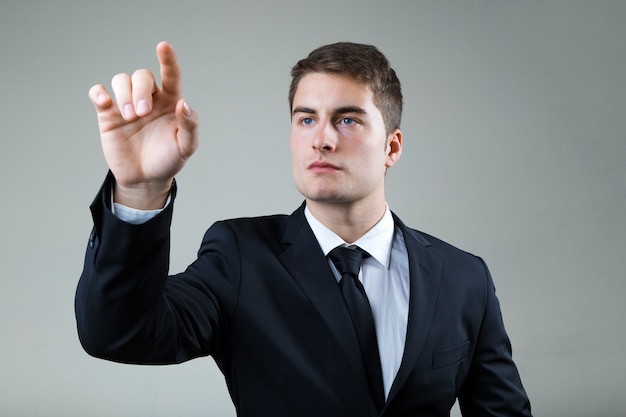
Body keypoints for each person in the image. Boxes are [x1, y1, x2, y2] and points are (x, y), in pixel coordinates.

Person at [75, 41, 532, 417]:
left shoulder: (463, 278)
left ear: (392, 146)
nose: (322, 138)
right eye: (306, 118)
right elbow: (117, 333)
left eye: (347, 119)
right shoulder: (240, 257)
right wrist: (140, 189)